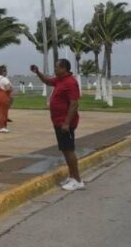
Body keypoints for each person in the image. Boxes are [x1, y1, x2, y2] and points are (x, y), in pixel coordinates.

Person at [31, 59, 84, 191]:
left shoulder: (71, 83)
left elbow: (74, 104)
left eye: (57, 68)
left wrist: (67, 122)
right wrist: (38, 72)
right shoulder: (60, 80)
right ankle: (72, 177)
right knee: (65, 150)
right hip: (58, 122)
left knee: (69, 150)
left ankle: (78, 180)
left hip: (65, 123)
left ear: (64, 68)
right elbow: (47, 81)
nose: (55, 70)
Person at [0, 65, 13, 133]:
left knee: (1, 112)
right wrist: (11, 88)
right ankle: (2, 127)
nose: (6, 72)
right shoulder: (5, 79)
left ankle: (3, 126)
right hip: (4, 97)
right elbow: (8, 88)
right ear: (2, 72)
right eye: (5, 71)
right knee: (4, 113)